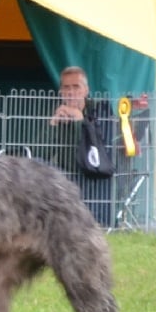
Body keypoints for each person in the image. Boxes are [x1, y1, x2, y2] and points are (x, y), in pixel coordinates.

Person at [41, 66, 114, 227]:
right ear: (61, 91)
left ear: (86, 90)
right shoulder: (56, 110)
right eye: (66, 88)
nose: (71, 92)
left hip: (92, 174)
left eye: (76, 87)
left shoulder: (100, 109)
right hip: (63, 175)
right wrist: (53, 124)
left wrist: (80, 121)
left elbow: (97, 150)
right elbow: (41, 152)